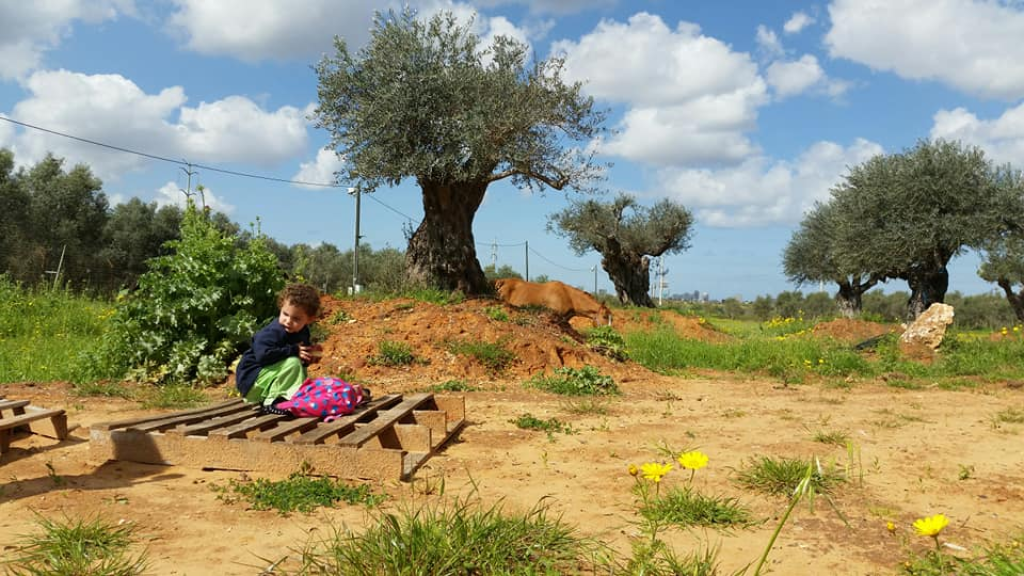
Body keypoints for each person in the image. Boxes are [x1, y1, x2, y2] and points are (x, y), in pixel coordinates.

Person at [235, 283, 322, 406]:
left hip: (268, 380)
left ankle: (289, 396)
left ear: (309, 319)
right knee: (293, 362)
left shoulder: (303, 332)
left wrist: (310, 356)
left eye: (296, 319)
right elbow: (263, 356)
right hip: (252, 383)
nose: (288, 321)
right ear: (281, 307)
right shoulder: (271, 332)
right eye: (285, 314)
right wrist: (293, 351)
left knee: (298, 365)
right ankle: (276, 401)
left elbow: (298, 359)